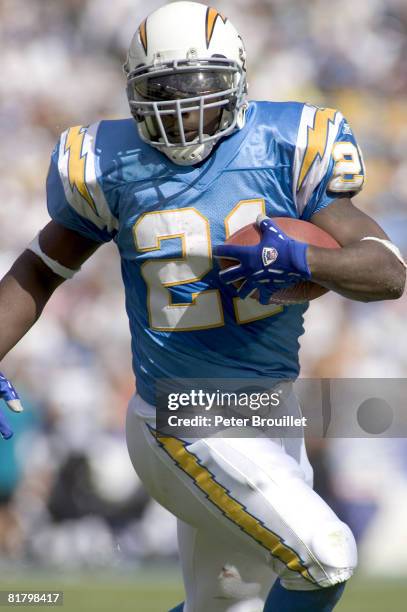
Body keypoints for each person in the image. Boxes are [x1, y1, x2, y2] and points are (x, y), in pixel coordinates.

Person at [0, 2, 405, 611]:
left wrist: (304, 261)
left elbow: (387, 271)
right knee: (326, 555)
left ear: (237, 82)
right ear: (133, 93)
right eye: (163, 91)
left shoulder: (284, 148)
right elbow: (38, 267)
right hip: (179, 414)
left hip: (271, 410)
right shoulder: (110, 165)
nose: (183, 110)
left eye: (200, 89)